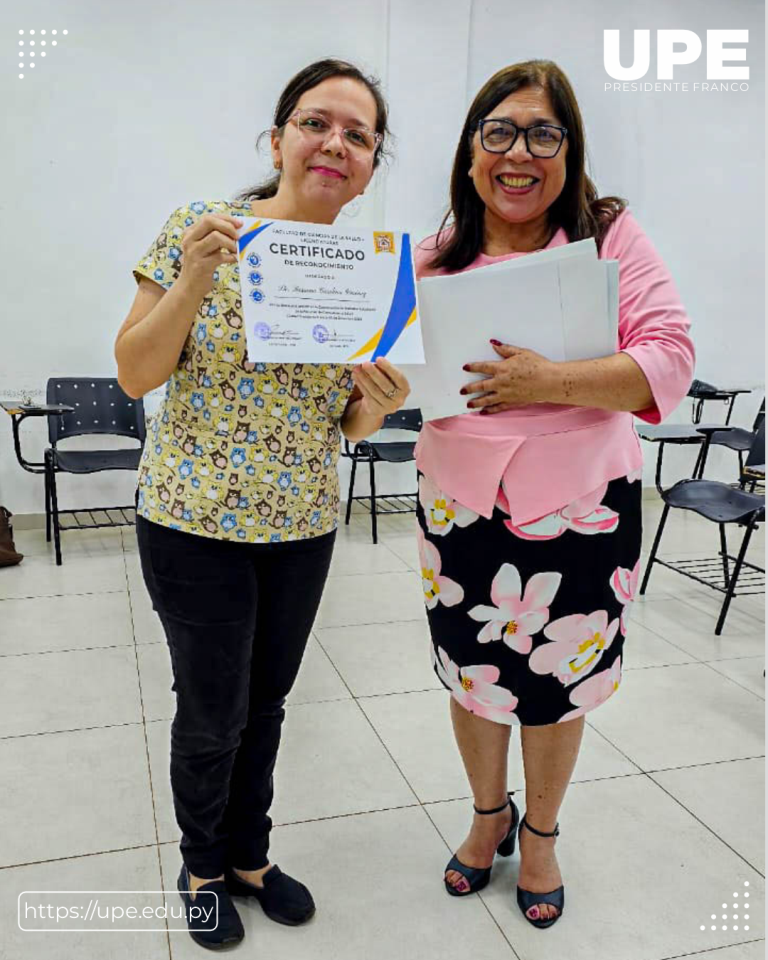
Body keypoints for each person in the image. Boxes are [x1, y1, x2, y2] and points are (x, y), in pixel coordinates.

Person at [115, 58, 410, 950]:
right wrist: (200, 278)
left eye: (358, 135)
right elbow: (136, 371)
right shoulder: (200, 230)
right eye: (318, 122)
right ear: (278, 138)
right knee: (213, 708)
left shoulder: (370, 268)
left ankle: (250, 854)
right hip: (193, 520)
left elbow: (347, 420)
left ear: (369, 165)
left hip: (301, 525)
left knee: (269, 701)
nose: (336, 143)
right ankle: (202, 864)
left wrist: (378, 403)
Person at [413, 60, 694, 929]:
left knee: (558, 683)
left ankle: (539, 833)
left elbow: (670, 357)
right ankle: (486, 812)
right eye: (497, 132)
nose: (518, 152)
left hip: (582, 506)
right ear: (469, 155)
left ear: (570, 152)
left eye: (542, 132)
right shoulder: (432, 256)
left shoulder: (609, 235)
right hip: (459, 507)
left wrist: (550, 379)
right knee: (475, 677)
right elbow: (383, 381)